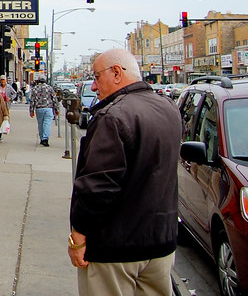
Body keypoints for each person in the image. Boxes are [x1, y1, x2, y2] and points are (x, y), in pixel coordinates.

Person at [68, 48, 182, 296]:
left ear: (117, 73)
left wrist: (78, 237)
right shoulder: (168, 108)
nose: (95, 87)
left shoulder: (112, 116)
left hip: (115, 250)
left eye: (97, 77)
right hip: (160, 244)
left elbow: (97, 187)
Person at [28, 76, 58, 146]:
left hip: (39, 108)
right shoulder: (49, 88)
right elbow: (54, 99)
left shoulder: (35, 88)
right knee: (47, 123)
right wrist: (56, 109)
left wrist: (31, 111)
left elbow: (32, 100)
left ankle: (42, 138)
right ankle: (45, 138)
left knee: (40, 124)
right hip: (48, 108)